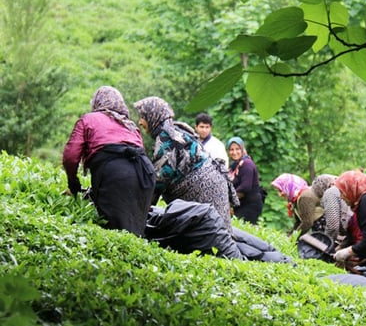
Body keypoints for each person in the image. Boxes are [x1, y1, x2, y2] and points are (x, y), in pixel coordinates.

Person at [62, 85, 155, 237]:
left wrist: (73, 183)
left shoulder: (88, 119)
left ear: (97, 102)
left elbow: (70, 157)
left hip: (114, 172)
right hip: (145, 175)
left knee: (113, 232)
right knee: (134, 232)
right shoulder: (131, 126)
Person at [133, 96, 237, 232]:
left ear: (153, 116)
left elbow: (158, 181)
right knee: (220, 234)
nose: (140, 122)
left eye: (143, 116)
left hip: (204, 190)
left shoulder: (167, 138)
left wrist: (138, 216)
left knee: (213, 236)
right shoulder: (174, 130)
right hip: (213, 185)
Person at [227, 136, 263, 225]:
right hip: (240, 204)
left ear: (242, 149)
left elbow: (245, 187)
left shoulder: (247, 164)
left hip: (250, 205)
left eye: (237, 149)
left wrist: (229, 201)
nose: (234, 152)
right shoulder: (233, 166)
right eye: (231, 149)